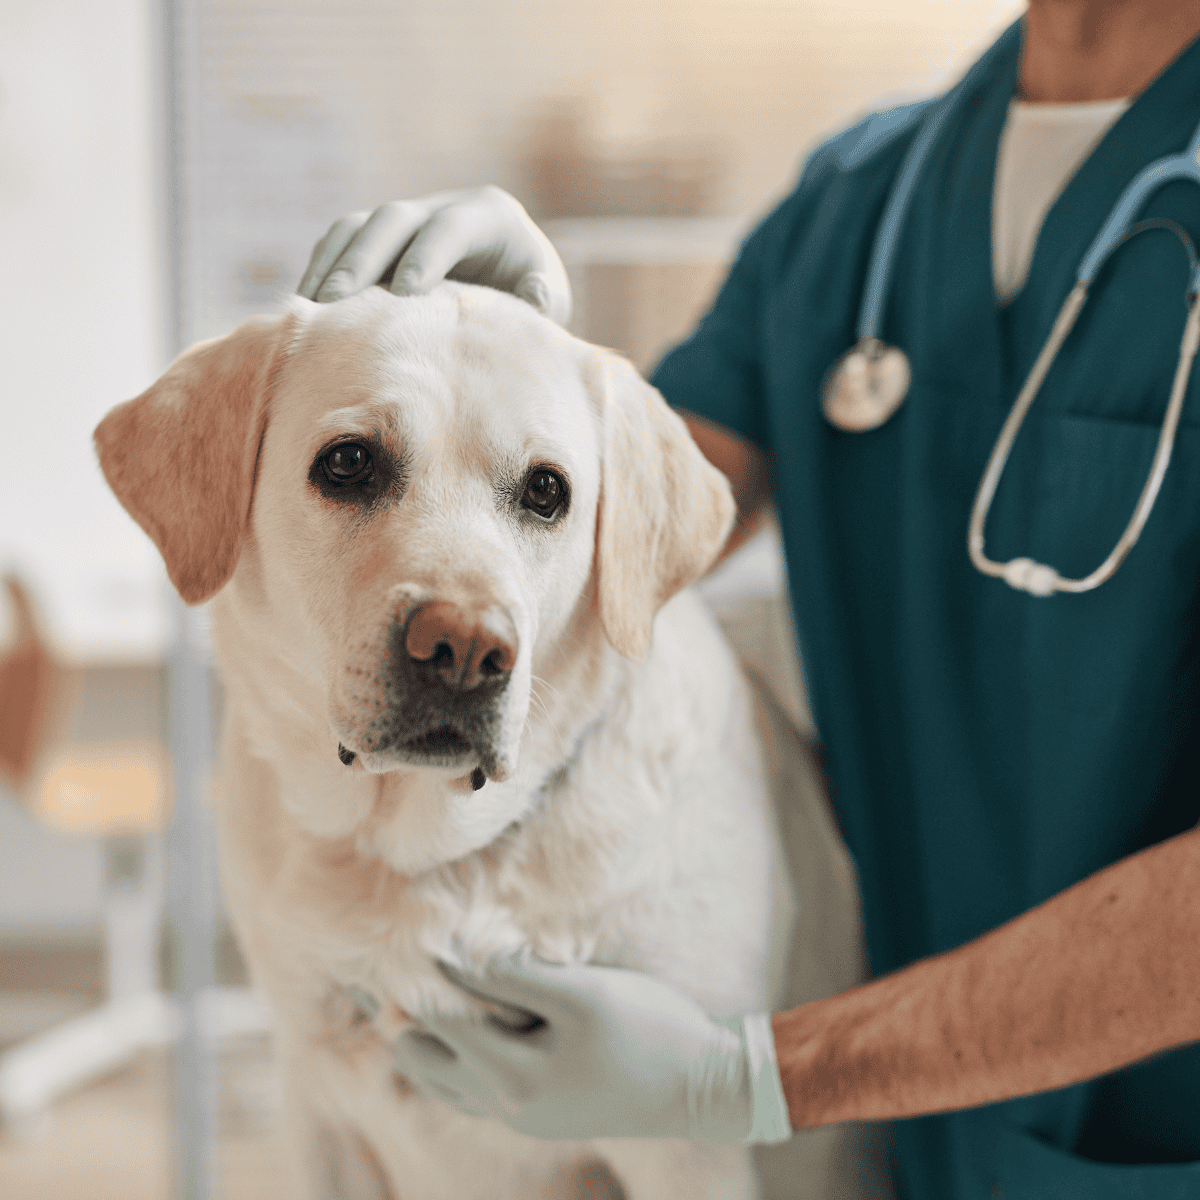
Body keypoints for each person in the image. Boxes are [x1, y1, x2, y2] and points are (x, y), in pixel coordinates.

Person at [296, 1, 1200, 1195]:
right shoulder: (860, 202)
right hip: (908, 1140)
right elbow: (620, 527)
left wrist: (752, 1076)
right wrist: (509, 360)